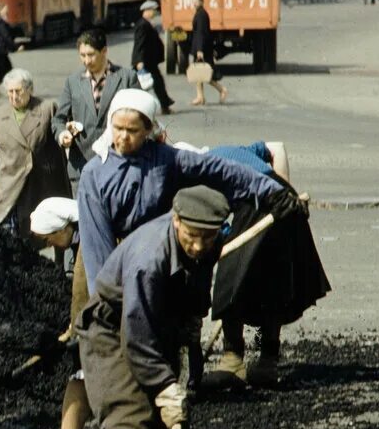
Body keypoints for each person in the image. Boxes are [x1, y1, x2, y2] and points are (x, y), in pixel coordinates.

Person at [77, 186, 232, 429]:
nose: (197, 246)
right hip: (113, 325)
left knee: (172, 408)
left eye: (206, 238)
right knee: (132, 411)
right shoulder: (149, 258)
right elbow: (137, 332)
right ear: (176, 221)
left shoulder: (209, 238)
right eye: (191, 237)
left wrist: (194, 316)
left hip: (158, 318)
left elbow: (198, 276)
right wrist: (162, 384)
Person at [76, 89, 300, 300]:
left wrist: (272, 191)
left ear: (147, 130)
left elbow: (221, 169)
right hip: (116, 256)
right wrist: (107, 297)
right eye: (118, 128)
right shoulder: (94, 175)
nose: (123, 137)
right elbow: (97, 244)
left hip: (163, 255)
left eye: (132, 130)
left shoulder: (166, 159)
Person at [194, 141, 329, 388]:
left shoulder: (196, 174)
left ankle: (233, 360)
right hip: (284, 199)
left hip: (263, 202)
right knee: (271, 281)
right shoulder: (235, 150)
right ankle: (267, 360)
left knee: (230, 277)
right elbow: (277, 147)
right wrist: (284, 192)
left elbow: (214, 232)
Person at [26, 198, 92, 429]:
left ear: (63, 228)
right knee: (79, 377)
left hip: (108, 323)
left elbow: (85, 287)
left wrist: (76, 329)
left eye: (50, 238)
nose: (52, 245)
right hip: (90, 324)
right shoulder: (82, 238)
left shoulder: (92, 238)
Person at [0, 68, 73, 237]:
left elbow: (60, 128)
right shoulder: (0, 114)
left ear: (30, 89)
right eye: (10, 92)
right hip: (12, 185)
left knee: (52, 235)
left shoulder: (47, 108)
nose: (14, 96)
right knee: (12, 238)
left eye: (18, 91)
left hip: (42, 185)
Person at [53, 29, 141, 186]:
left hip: (119, 164)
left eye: (91, 54)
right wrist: (63, 134)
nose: (86, 61)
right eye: (82, 55)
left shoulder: (127, 78)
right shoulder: (72, 82)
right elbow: (58, 119)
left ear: (104, 51)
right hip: (82, 167)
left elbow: (141, 117)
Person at [132, 0, 174, 115]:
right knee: (147, 84)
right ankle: (163, 105)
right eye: (153, 10)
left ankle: (165, 104)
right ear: (147, 11)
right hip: (144, 61)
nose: (155, 13)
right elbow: (139, 43)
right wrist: (139, 61)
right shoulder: (142, 25)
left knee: (155, 83)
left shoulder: (146, 23)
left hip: (149, 60)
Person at [188, 0, 228, 106]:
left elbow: (201, 33)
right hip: (202, 47)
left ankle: (222, 90)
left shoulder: (201, 15)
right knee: (199, 73)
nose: (194, 3)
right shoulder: (200, 13)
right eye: (193, 1)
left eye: (196, 1)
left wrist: (200, 50)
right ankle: (200, 97)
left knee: (205, 73)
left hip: (203, 49)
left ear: (202, 1)